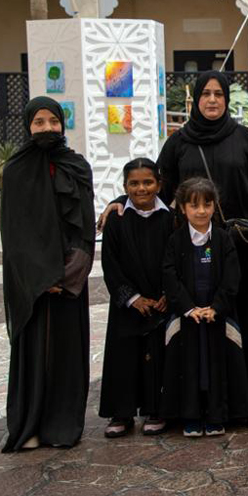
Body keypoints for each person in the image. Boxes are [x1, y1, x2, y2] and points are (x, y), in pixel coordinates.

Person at [100, 71, 248, 384]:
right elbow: (157, 187)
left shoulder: (244, 138)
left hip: (240, 247)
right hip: (194, 251)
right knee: (200, 322)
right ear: (196, 100)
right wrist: (123, 201)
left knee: (239, 319)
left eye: (218, 94)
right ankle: (200, 398)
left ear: (227, 99)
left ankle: (241, 400)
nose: (212, 100)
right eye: (206, 94)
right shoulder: (180, 142)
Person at [1, 97, 95, 451]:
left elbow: (84, 224)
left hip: (68, 281)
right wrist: (43, 278)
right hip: (34, 284)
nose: (46, 128)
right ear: (28, 126)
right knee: (36, 353)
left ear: (62, 124)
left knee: (66, 353)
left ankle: (62, 426)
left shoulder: (76, 167)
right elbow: (14, 234)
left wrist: (67, 275)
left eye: (52, 121)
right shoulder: (15, 171)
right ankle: (31, 426)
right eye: (38, 122)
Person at [161, 177, 248, 436]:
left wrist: (216, 307)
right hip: (187, 318)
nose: (201, 211)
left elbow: (232, 277)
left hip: (216, 318)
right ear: (182, 207)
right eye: (194, 205)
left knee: (216, 366)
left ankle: (216, 415)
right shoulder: (176, 241)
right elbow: (169, 276)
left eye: (206, 204)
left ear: (215, 205)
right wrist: (189, 308)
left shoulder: (223, 239)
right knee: (188, 367)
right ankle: (190, 416)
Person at [99, 158, 174, 437]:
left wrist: (168, 293)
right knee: (124, 357)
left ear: (159, 184)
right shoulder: (117, 220)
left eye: (148, 182)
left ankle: (157, 409)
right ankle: (122, 412)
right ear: (124, 186)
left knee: (157, 355)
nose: (141, 188)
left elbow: (175, 258)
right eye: (134, 183)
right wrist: (132, 298)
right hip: (129, 305)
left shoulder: (170, 218)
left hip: (160, 301)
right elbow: (111, 264)